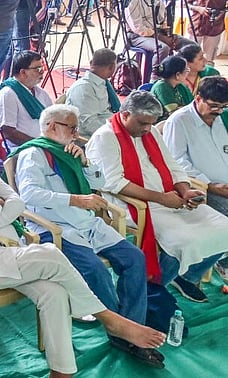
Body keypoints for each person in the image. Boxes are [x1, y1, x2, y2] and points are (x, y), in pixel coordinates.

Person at [0, 119, 166, 376]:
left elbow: (16, 201)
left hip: (7, 250)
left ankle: (62, 372)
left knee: (54, 293)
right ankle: (110, 319)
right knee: (49, 254)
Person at [13, 105, 163, 367]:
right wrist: (75, 199)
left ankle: (128, 326)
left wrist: (84, 162)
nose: (75, 133)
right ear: (51, 127)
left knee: (134, 258)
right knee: (96, 270)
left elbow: (99, 184)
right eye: (71, 127)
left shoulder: (70, 152)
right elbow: (29, 195)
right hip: (56, 227)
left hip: (87, 222)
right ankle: (124, 330)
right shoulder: (33, 154)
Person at [86, 91, 228, 303]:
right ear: (125, 115)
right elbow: (114, 183)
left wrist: (184, 190)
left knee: (224, 228)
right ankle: (153, 288)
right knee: (182, 241)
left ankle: (187, 276)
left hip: (169, 198)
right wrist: (161, 199)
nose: (146, 129)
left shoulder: (150, 132)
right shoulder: (105, 137)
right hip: (134, 205)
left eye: (151, 123)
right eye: (142, 123)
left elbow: (173, 166)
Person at [163, 76, 228, 279]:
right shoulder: (180, 121)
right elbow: (176, 162)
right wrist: (211, 186)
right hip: (201, 188)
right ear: (198, 98)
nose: (218, 111)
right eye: (214, 106)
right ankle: (190, 275)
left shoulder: (220, 119)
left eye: (224, 106)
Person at [125, 0, 194, 71]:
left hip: (158, 34)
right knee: (163, 48)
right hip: (137, 37)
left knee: (190, 46)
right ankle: (155, 76)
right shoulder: (131, 0)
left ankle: (180, 71)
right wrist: (161, 37)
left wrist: (168, 35)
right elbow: (139, 29)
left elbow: (162, 18)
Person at [0, 50, 53, 149]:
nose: (42, 71)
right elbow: (8, 132)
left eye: (42, 67)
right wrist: (38, 144)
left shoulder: (40, 92)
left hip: (45, 144)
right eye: (37, 69)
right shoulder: (8, 94)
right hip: (23, 149)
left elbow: (53, 116)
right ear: (23, 72)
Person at [65, 48, 121, 137]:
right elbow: (88, 125)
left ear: (91, 63)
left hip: (108, 127)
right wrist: (117, 133)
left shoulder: (102, 83)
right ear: (112, 67)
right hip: (91, 138)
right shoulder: (83, 88)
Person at [150, 55, 193, 122]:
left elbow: (192, 106)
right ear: (178, 75)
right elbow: (174, 113)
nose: (188, 73)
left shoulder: (180, 86)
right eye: (186, 70)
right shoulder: (162, 87)